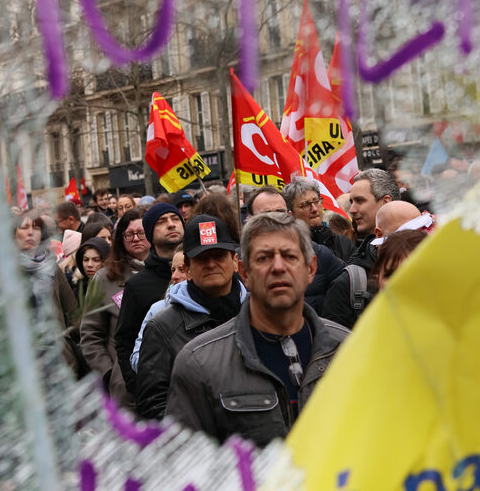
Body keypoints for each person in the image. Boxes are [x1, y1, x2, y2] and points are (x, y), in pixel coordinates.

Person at [166, 211, 349, 443]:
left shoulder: (350, 350)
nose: (278, 267)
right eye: (263, 258)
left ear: (311, 269)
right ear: (244, 273)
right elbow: (185, 459)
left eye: (290, 256)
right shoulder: (199, 364)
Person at [136, 216, 247, 420]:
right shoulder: (162, 328)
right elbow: (154, 406)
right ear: (187, 268)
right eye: (202, 258)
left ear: (234, 261)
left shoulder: (259, 314)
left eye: (219, 256)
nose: (211, 264)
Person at [80, 208, 150, 406]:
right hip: (124, 390)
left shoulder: (171, 271)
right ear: (120, 238)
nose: (135, 238)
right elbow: (90, 335)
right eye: (129, 234)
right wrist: (110, 374)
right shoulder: (104, 278)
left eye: (141, 233)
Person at [114, 202, 184, 396]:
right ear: (150, 234)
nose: (171, 224)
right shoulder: (138, 285)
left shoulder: (201, 272)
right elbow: (125, 341)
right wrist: (138, 387)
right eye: (162, 221)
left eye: (175, 219)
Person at [248, 186, 344, 314]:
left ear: (311, 267)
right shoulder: (239, 259)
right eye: (265, 215)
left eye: (280, 212)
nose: (274, 220)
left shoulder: (319, 253)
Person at [323, 169, 399, 328]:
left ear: (385, 202)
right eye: (351, 202)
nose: (352, 209)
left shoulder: (434, 257)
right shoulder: (350, 280)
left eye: (360, 201)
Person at [14, 212, 82, 376]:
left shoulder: (51, 267)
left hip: (59, 359)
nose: (31, 232)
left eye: (36, 228)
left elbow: (73, 312)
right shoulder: (4, 272)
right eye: (24, 227)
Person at [283, 177, 354, 261]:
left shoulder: (343, 242)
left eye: (316, 201)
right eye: (305, 205)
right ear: (291, 213)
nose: (314, 209)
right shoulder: (287, 247)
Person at [74, 237, 110, 308]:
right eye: (85, 259)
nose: (89, 265)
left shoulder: (116, 287)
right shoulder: (79, 291)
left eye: (96, 260)